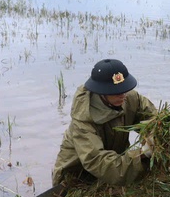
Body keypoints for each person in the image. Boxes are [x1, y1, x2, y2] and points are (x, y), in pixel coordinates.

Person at [52, 58, 157, 186]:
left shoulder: (129, 97)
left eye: (124, 89)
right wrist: (141, 155)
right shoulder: (83, 121)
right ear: (101, 92)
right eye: (116, 92)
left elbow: (154, 118)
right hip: (78, 178)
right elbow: (96, 160)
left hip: (115, 169)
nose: (123, 95)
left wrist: (153, 138)